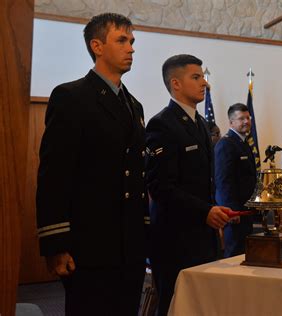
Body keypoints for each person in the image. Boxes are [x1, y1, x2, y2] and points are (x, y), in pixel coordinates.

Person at [36, 13, 148, 316]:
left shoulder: (134, 105)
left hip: (129, 244)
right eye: (122, 40)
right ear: (97, 46)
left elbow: (137, 174)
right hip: (90, 243)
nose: (131, 48)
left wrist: (143, 230)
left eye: (132, 41)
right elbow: (55, 173)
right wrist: (56, 243)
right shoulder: (72, 97)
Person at [145, 54, 231, 316]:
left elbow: (205, 181)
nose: (204, 83)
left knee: (202, 305)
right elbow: (160, 187)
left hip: (203, 234)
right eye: (196, 77)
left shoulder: (202, 124)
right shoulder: (162, 124)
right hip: (175, 237)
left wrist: (212, 210)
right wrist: (204, 211)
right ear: (176, 84)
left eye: (203, 76)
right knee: (175, 305)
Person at [215, 103, 257, 257]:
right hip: (235, 210)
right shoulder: (226, 144)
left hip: (245, 208)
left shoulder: (243, 143)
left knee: (245, 253)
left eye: (248, 118)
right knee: (234, 253)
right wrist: (231, 210)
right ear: (231, 122)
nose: (246, 121)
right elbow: (223, 181)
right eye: (241, 119)